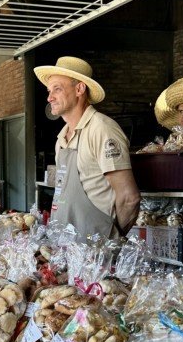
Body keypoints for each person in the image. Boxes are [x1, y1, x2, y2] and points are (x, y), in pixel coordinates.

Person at [35, 56, 140, 239]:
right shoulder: (61, 139)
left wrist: (111, 240)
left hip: (95, 253)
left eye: (57, 89)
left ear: (79, 88)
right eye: (49, 90)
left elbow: (129, 198)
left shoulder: (101, 129)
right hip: (65, 248)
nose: (49, 97)